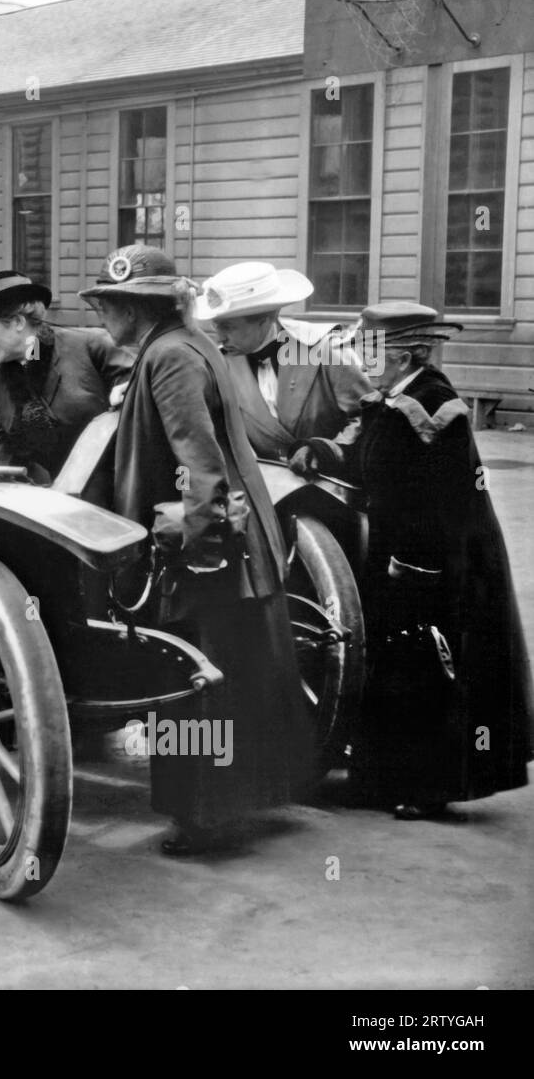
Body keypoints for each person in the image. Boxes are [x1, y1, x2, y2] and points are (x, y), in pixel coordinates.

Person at [82, 245, 313, 855]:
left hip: (207, 548)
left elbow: (199, 462)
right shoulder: (188, 344)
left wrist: (203, 551)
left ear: (136, 308)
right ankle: (240, 805)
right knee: (236, 678)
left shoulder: (169, 356)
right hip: (229, 539)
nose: (102, 313)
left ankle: (206, 821)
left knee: (192, 684)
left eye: (108, 304)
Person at [329, 303, 532, 820]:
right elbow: (367, 460)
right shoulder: (391, 399)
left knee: (426, 665)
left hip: (436, 559)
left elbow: (445, 499)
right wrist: (322, 453)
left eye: (371, 351)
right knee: (395, 663)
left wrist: (416, 564)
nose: (362, 361)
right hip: (395, 552)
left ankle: (428, 786)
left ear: (405, 355)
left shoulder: (435, 406)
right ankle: (382, 779)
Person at [195, 261, 370, 473]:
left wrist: (326, 451)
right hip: (267, 485)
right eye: (216, 326)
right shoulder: (221, 363)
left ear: (266, 319)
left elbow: (368, 418)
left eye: (228, 327)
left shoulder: (325, 348)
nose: (220, 337)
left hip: (331, 482)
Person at [0, 270, 132, 483]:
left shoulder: (92, 346)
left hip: (119, 487)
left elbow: (139, 398)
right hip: (58, 497)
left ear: (17, 322)